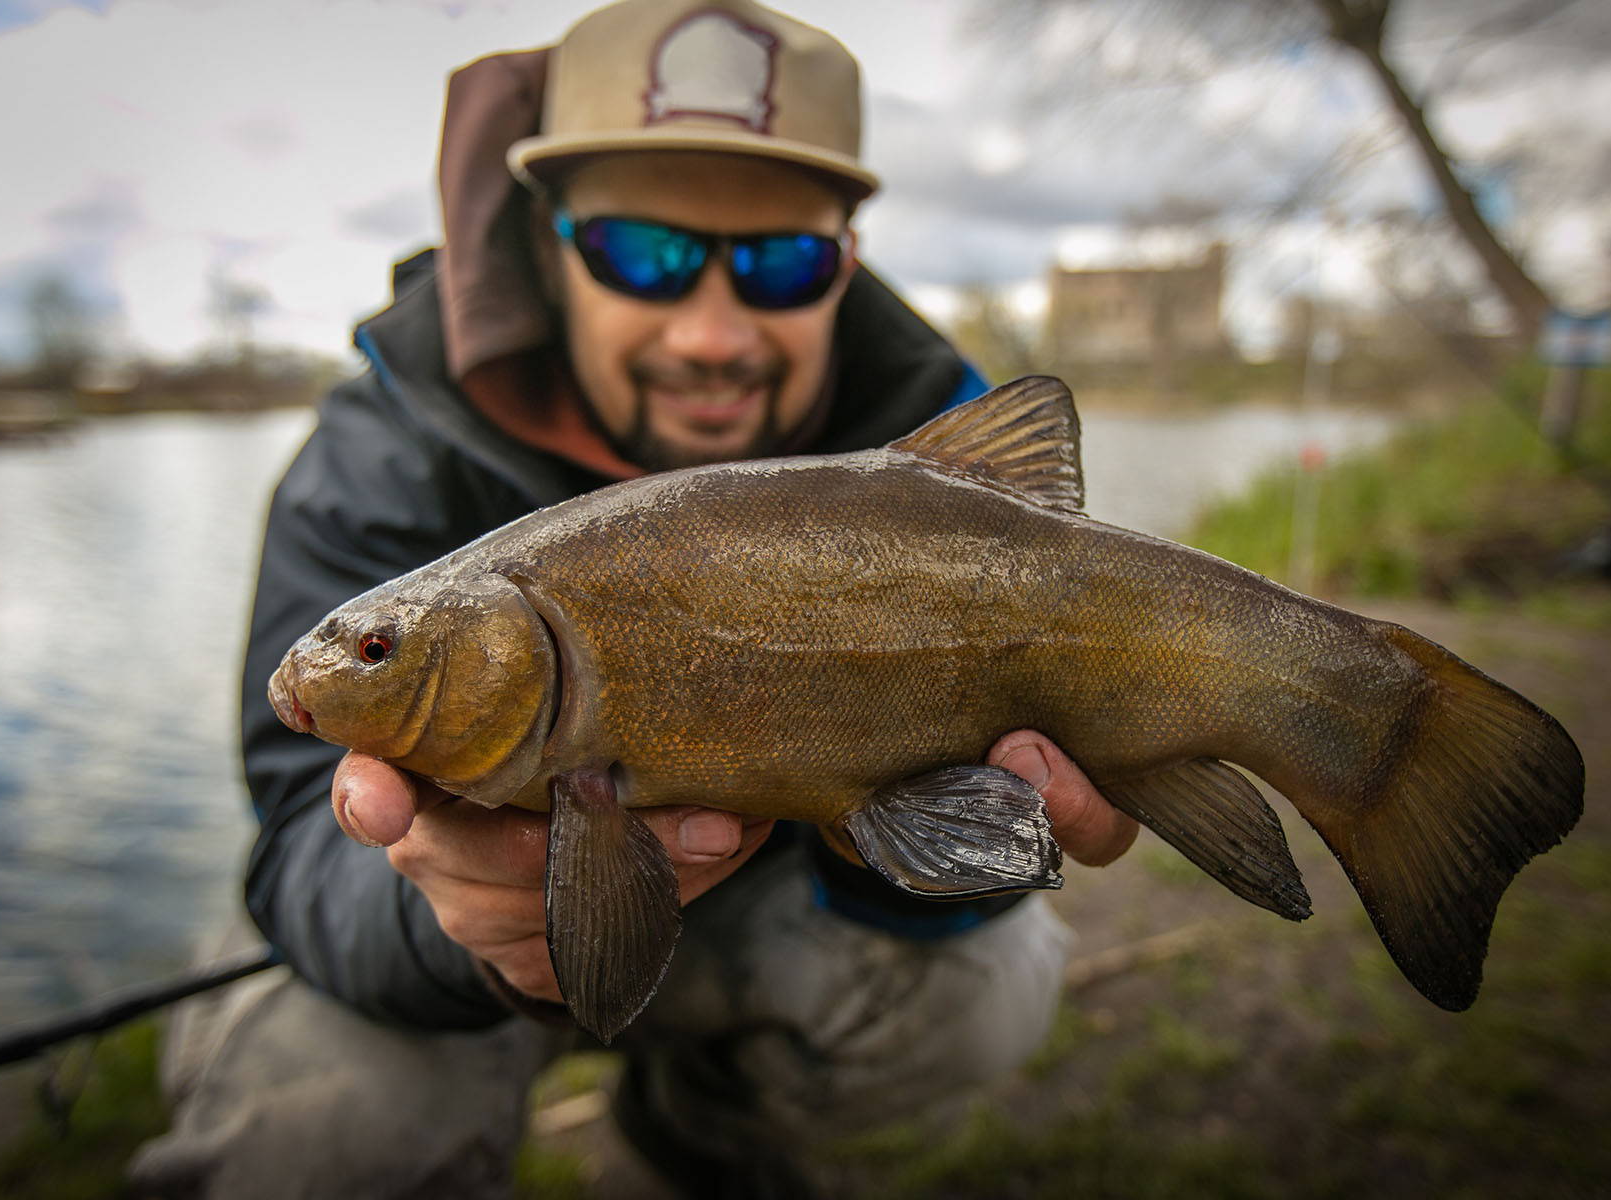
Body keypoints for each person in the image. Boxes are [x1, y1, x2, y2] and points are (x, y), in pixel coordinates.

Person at [131, 1, 1138, 1196]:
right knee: (326, 1127)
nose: (712, 334)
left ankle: (698, 1133)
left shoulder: (924, 423)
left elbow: (972, 829)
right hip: (438, 955)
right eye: (644, 255)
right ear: (552, 242)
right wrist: (460, 920)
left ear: (847, 260)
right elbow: (302, 830)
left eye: (781, 262)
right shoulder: (388, 443)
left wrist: (929, 839)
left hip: (763, 904)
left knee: (985, 990)